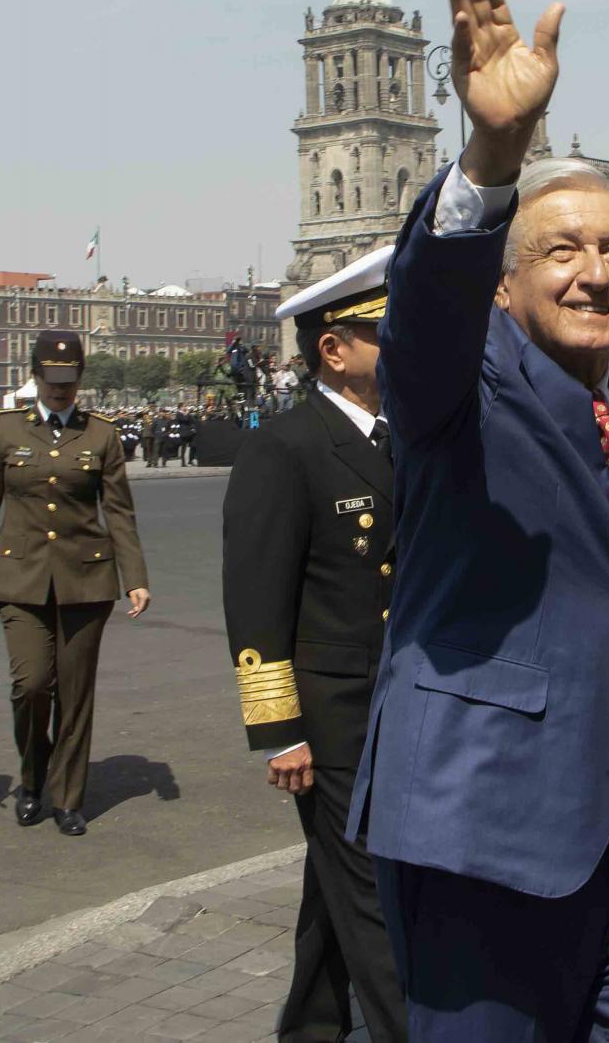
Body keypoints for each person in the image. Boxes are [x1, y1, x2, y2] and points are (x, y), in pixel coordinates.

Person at [349, 0, 609, 1039]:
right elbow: (423, 309)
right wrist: (493, 151)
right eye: (560, 250)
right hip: (488, 832)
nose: (594, 272)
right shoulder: (456, 385)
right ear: (506, 282)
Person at [222, 247, 404, 1043]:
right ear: (334, 348)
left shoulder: (401, 439)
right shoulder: (286, 445)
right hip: (329, 715)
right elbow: (256, 601)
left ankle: (311, 1027)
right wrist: (280, 729)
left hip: (398, 700)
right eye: (387, 332)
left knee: (339, 883)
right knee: (371, 889)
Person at [0, 332, 151, 836]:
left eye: (69, 381)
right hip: (19, 577)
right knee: (30, 686)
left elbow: (118, 511)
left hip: (86, 579)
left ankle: (67, 796)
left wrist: (134, 576)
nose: (61, 391)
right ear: (36, 376)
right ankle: (31, 778)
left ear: (80, 378)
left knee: (74, 693)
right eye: (52, 381)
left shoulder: (101, 435)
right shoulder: (5, 432)